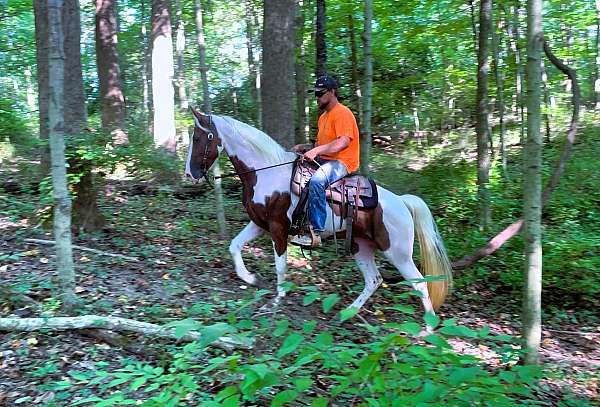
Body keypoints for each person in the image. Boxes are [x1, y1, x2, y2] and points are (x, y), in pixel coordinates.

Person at [290, 74, 360, 247]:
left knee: (317, 181)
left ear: (332, 92)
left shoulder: (343, 113)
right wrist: (305, 147)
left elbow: (342, 142)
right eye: (316, 93)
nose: (317, 97)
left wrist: (316, 150)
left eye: (321, 93)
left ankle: (316, 232)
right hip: (325, 159)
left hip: (342, 162)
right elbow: (321, 145)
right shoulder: (323, 118)